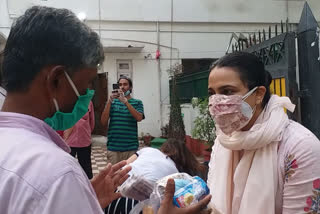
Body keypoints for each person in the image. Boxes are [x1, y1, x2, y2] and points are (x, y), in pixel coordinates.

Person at [0, 6, 131, 213]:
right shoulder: (57, 174)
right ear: (56, 79)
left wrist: (81, 200)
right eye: (86, 83)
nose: (87, 93)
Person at [206, 52, 320, 214]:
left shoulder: (299, 147)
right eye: (212, 93)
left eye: (228, 91)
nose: (217, 102)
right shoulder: (224, 141)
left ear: (258, 94)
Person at [105, 138, 206, 214]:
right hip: (142, 204)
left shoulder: (147, 150)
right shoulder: (177, 173)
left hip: (114, 195)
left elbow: (126, 164)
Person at [101, 76, 144, 165]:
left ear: (130, 87)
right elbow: (103, 121)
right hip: (113, 148)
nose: (122, 87)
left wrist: (126, 102)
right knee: (113, 176)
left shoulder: (137, 102)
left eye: (125, 84)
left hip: (131, 148)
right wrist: (109, 101)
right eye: (120, 85)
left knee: (130, 177)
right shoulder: (112, 102)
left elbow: (139, 118)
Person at [64, 101, 95, 179]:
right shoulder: (68, 100)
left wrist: (87, 132)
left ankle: (88, 188)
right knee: (67, 166)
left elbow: (92, 121)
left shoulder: (88, 102)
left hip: (84, 140)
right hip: (69, 141)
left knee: (86, 167)